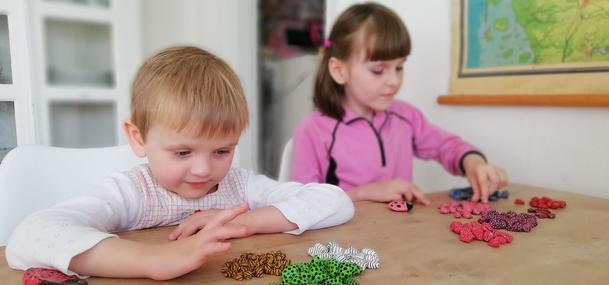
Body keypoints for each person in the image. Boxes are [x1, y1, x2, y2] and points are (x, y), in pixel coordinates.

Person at [6, 46, 354, 280]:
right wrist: (152, 260)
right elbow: (28, 238)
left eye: (222, 151)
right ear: (138, 138)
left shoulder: (241, 187)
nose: (204, 170)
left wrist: (244, 222)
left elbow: (335, 201)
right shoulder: (132, 193)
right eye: (183, 153)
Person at [291, 2, 507, 205]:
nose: (394, 81)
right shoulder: (313, 130)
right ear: (339, 70)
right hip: (342, 243)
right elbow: (301, 204)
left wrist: (474, 163)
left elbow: (447, 146)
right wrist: (364, 193)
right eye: (378, 70)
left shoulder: (405, 116)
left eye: (399, 67)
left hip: (399, 237)